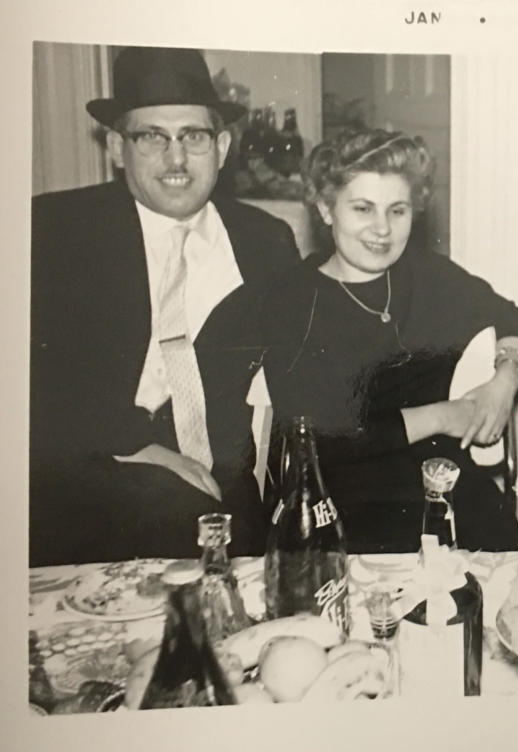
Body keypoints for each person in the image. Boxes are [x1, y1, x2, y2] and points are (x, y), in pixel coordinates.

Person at [30, 47, 301, 566]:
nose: (175, 159)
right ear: (117, 147)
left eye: (193, 136)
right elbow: (28, 382)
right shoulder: (57, 231)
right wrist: (138, 447)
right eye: (152, 137)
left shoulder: (264, 241)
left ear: (222, 147)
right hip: (89, 476)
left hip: (220, 492)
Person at [261, 126, 518, 554]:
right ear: (326, 209)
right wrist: (444, 416)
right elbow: (325, 435)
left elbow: (509, 316)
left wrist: (505, 379)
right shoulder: (291, 300)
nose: (382, 229)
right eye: (363, 209)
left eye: (397, 211)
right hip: (341, 499)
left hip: (445, 486)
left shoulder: (429, 275)